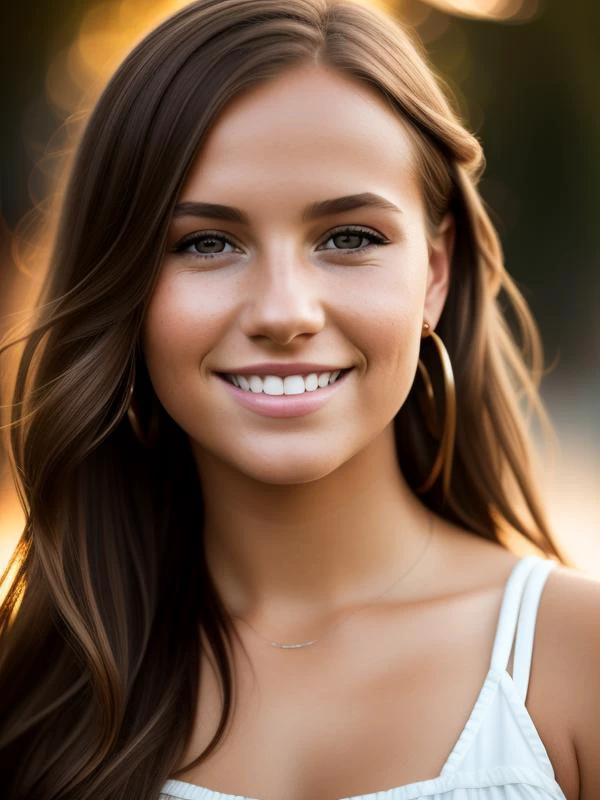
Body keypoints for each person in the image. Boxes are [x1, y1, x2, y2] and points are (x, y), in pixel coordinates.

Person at [0, 0, 598, 798]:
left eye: (348, 237)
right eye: (206, 243)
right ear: (124, 287)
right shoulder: (37, 690)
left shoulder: (577, 662)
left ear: (435, 271)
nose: (284, 312)